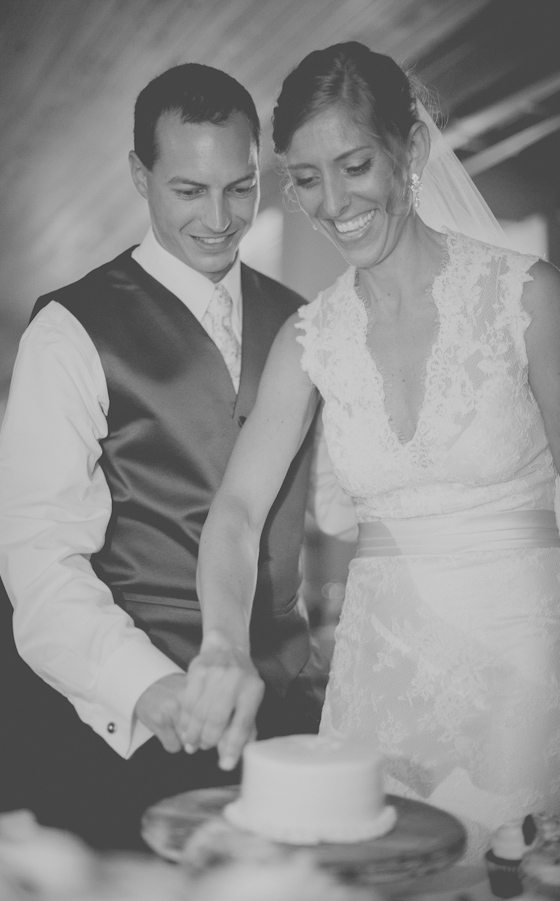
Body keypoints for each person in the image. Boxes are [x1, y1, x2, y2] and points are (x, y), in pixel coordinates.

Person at [179, 42, 560, 861]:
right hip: (379, 679)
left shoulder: (525, 298)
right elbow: (238, 513)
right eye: (305, 179)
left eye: (354, 165)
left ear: (411, 152)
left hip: (530, 670)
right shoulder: (310, 339)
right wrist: (222, 641)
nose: (332, 201)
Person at [0, 63, 326, 851]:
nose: (219, 219)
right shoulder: (69, 331)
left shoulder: (304, 323)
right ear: (140, 176)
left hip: (286, 732)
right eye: (188, 190)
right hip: (132, 739)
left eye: (241, 188)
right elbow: (38, 557)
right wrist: (152, 689)